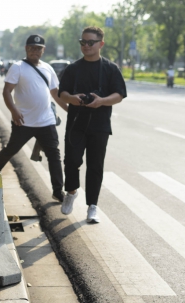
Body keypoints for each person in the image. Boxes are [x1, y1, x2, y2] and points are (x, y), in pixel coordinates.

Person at [58, 26, 127, 223]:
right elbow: (62, 93)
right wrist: (73, 98)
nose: (86, 46)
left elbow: (119, 95)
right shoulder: (73, 69)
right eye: (83, 42)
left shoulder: (111, 69)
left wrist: (101, 101)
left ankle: (92, 206)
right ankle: (71, 192)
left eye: (91, 42)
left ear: (101, 44)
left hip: (100, 125)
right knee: (71, 161)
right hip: (76, 124)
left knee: (95, 165)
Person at [0, 34, 68, 203]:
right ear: (26, 49)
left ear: (43, 50)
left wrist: (69, 110)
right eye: (32, 48)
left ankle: (57, 190)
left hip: (46, 121)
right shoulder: (18, 67)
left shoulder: (48, 68)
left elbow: (55, 93)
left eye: (38, 48)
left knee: (54, 155)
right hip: (23, 121)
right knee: (11, 150)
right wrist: (14, 111)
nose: (35, 51)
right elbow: (6, 91)